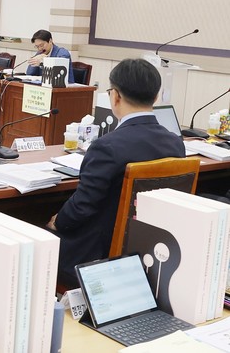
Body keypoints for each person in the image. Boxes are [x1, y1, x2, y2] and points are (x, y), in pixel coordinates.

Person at [47, 58, 185, 287]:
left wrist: (58, 222)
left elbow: (82, 206)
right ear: (156, 97)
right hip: (152, 249)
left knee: (35, 228)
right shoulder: (175, 143)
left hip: (97, 253)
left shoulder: (106, 146)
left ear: (116, 96)